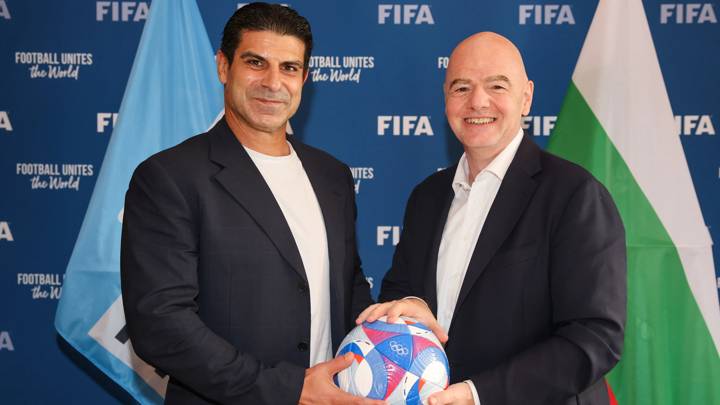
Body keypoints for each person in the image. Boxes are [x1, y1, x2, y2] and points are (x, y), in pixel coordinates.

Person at [120, 3, 381, 404]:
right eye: (256, 62)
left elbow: (346, 285)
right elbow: (160, 326)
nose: (273, 82)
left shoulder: (333, 177)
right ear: (224, 67)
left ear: (305, 78)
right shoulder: (170, 177)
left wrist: (391, 329)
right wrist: (289, 390)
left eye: (290, 68)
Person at [357, 32, 627, 405]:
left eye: (496, 85)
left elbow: (595, 338)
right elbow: (397, 295)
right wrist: (413, 306)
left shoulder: (574, 194)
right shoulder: (427, 197)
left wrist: (477, 394)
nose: (477, 101)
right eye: (461, 87)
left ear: (526, 97)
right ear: (446, 98)